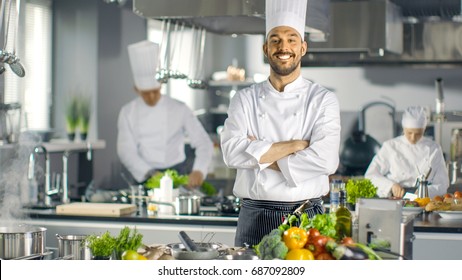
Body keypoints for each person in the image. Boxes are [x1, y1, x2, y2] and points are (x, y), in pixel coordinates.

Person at [220, 0, 341, 247]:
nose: (283, 47)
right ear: (265, 48)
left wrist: (259, 155)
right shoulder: (244, 99)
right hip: (255, 216)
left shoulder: (323, 99)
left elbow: (326, 161)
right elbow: (231, 154)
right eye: (275, 40)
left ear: (303, 47)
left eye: (291, 39)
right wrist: (296, 145)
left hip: (307, 216)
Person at [117, 40, 213, 188]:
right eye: (145, 93)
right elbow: (125, 151)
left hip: (177, 174)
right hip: (145, 176)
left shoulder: (180, 108)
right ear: (136, 89)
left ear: (161, 86)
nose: (151, 97)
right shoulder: (128, 112)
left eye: (155, 92)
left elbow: (203, 142)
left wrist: (199, 170)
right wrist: (150, 173)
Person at [365, 106, 449, 199]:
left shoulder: (434, 148)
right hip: (395, 199)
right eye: (409, 133)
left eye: (418, 133)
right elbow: (371, 175)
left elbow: (442, 183)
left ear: (424, 129)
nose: (413, 137)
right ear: (403, 128)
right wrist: (391, 186)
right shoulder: (390, 146)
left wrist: (425, 191)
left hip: (423, 200)